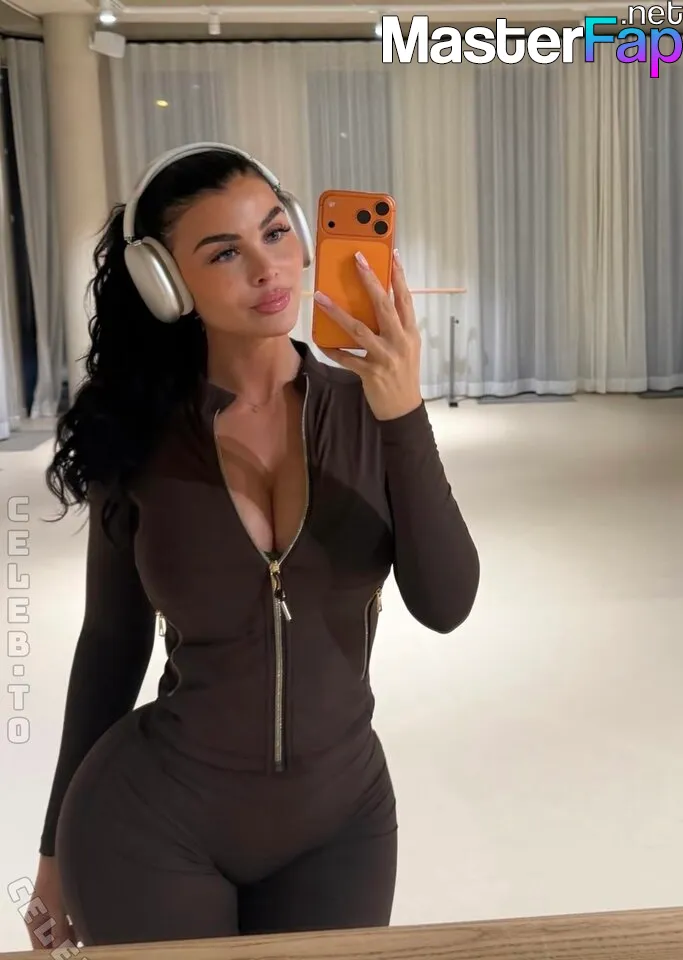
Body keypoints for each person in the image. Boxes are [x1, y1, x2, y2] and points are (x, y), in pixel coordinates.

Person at [27, 143, 480, 949]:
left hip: (341, 824)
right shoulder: (136, 437)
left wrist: (403, 414)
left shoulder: (368, 414)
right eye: (224, 252)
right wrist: (54, 848)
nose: (267, 268)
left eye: (274, 233)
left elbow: (445, 604)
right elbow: (111, 642)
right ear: (166, 285)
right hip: (149, 823)